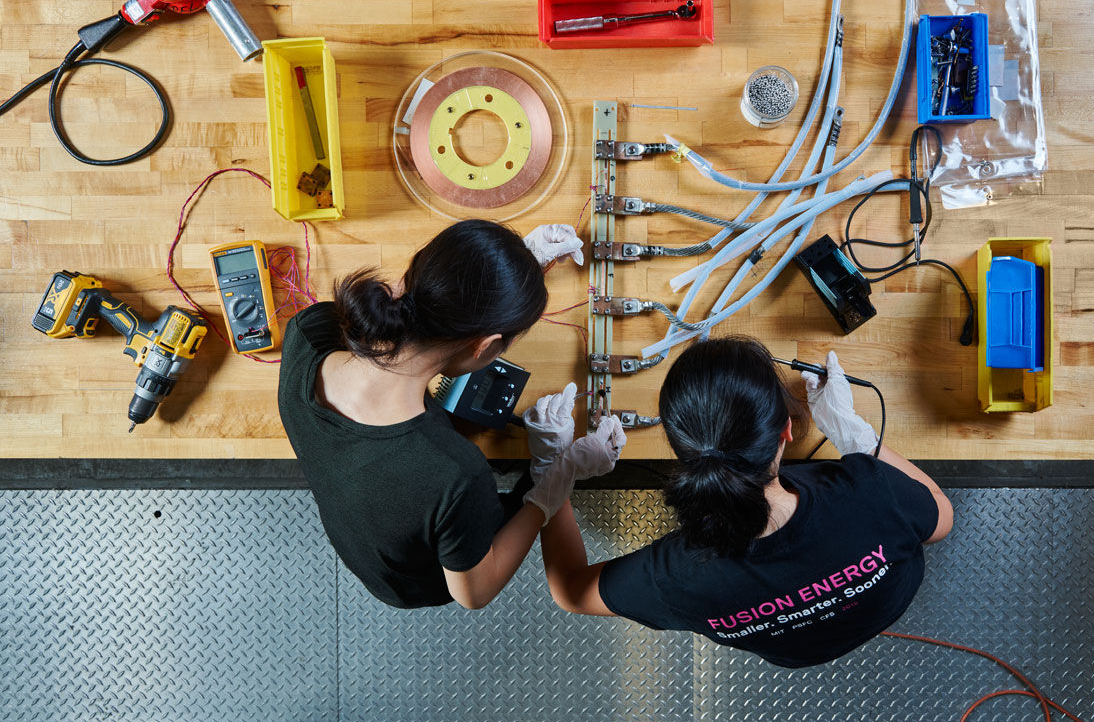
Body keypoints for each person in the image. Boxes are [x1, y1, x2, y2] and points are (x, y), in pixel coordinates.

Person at [538, 336, 953, 668]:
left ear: (684, 453)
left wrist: (554, 472)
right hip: (888, 602)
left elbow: (570, 591)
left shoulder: (680, 576)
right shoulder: (869, 492)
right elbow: (942, 518)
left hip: (795, 650)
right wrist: (853, 434)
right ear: (787, 430)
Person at [278, 219, 624, 611]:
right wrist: (550, 486)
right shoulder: (453, 473)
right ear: (487, 346)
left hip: (360, 516)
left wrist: (509, 272)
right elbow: (473, 594)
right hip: (408, 579)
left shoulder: (309, 331)